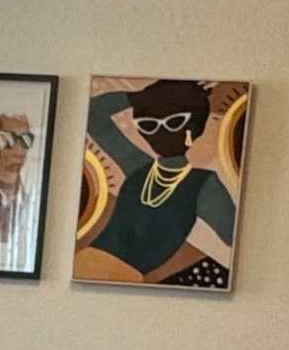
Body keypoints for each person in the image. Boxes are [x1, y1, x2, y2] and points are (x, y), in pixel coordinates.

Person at [77, 78, 240, 286]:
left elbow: (236, 239)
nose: (159, 133)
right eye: (148, 125)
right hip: (86, 270)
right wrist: (139, 98)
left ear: (193, 128)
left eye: (173, 122)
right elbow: (94, 114)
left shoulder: (204, 186)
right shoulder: (137, 165)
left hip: (120, 283)